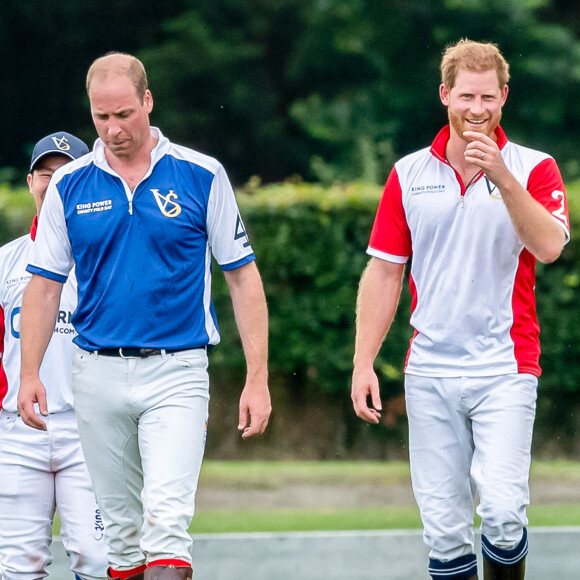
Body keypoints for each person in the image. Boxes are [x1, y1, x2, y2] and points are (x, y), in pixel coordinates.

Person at [17, 53, 271, 580]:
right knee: (123, 542)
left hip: (176, 371)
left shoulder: (202, 174)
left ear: (148, 102)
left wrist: (257, 377)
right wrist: (29, 373)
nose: (114, 130)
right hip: (96, 373)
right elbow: (44, 286)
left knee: (167, 528)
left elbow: (242, 276)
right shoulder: (70, 186)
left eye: (125, 115)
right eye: (102, 118)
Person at [351, 39, 569, 580]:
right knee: (445, 529)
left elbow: (549, 246)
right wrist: (362, 364)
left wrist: (501, 176)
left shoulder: (534, 168)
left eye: (488, 97)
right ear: (445, 94)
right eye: (467, 96)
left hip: (506, 367)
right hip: (430, 370)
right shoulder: (407, 173)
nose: (477, 109)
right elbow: (384, 271)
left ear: (504, 98)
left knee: (501, 511)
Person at [0, 132, 108, 580]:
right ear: (30, 182)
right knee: (16, 567)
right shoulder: (6, 260)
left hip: (91, 431)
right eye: (46, 172)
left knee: (100, 560)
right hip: (16, 431)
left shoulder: (107, 259)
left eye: (65, 173)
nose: (53, 181)